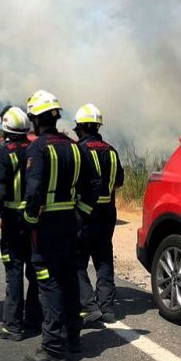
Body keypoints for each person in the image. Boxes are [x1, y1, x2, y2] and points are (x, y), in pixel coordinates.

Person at [21, 90, 101, 361]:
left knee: (49, 286)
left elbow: (33, 193)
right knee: (69, 281)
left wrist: (29, 222)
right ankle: (73, 340)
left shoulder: (38, 148)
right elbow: (95, 184)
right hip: (72, 225)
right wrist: (83, 215)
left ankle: (53, 349)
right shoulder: (77, 147)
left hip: (46, 230)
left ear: (36, 119)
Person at [0, 106, 42, 341]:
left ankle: (12, 325)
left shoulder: (1, 153)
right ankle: (33, 319)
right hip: (33, 221)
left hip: (11, 222)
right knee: (34, 271)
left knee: (14, 271)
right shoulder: (34, 149)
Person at [73, 104, 125, 325]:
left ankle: (88, 305)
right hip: (108, 214)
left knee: (77, 261)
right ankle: (107, 308)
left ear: (82, 127)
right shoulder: (111, 151)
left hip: (85, 214)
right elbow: (119, 181)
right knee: (103, 259)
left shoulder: (80, 151)